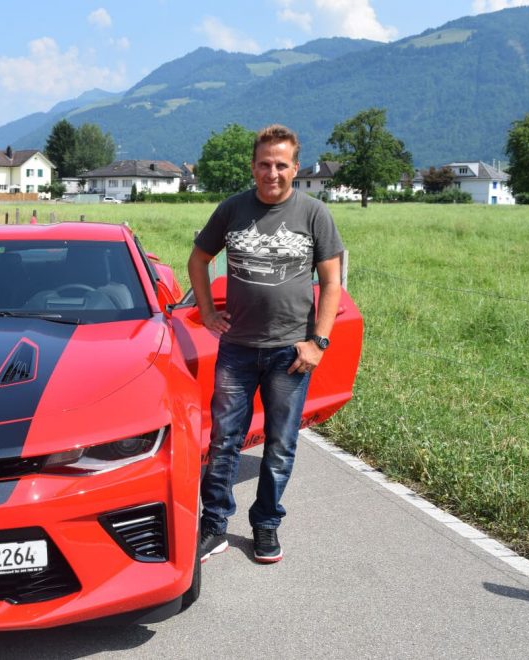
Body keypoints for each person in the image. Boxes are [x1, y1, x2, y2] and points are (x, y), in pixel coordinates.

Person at [187, 124, 343, 564]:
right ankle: (214, 525)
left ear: (295, 168)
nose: (271, 172)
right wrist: (208, 312)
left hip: (290, 353)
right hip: (236, 348)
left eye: (280, 165)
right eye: (263, 164)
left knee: (280, 444)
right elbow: (199, 259)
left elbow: (331, 283)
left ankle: (266, 525)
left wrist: (319, 342)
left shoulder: (315, 214)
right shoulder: (232, 209)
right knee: (223, 441)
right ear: (252, 166)